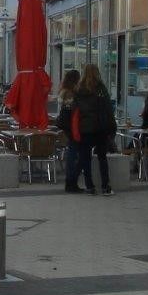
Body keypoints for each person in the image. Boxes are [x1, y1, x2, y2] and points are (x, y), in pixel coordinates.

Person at [71, 63, 115, 196]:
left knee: (86, 158)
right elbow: (108, 109)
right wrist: (111, 127)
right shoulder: (101, 89)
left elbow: (75, 110)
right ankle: (105, 186)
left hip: (85, 128)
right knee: (102, 157)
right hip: (100, 127)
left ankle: (89, 186)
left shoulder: (78, 90)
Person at [55, 70, 81, 194]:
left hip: (65, 126)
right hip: (72, 127)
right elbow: (73, 111)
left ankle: (70, 181)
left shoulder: (63, 91)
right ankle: (71, 182)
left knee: (72, 152)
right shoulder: (71, 94)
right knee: (73, 154)